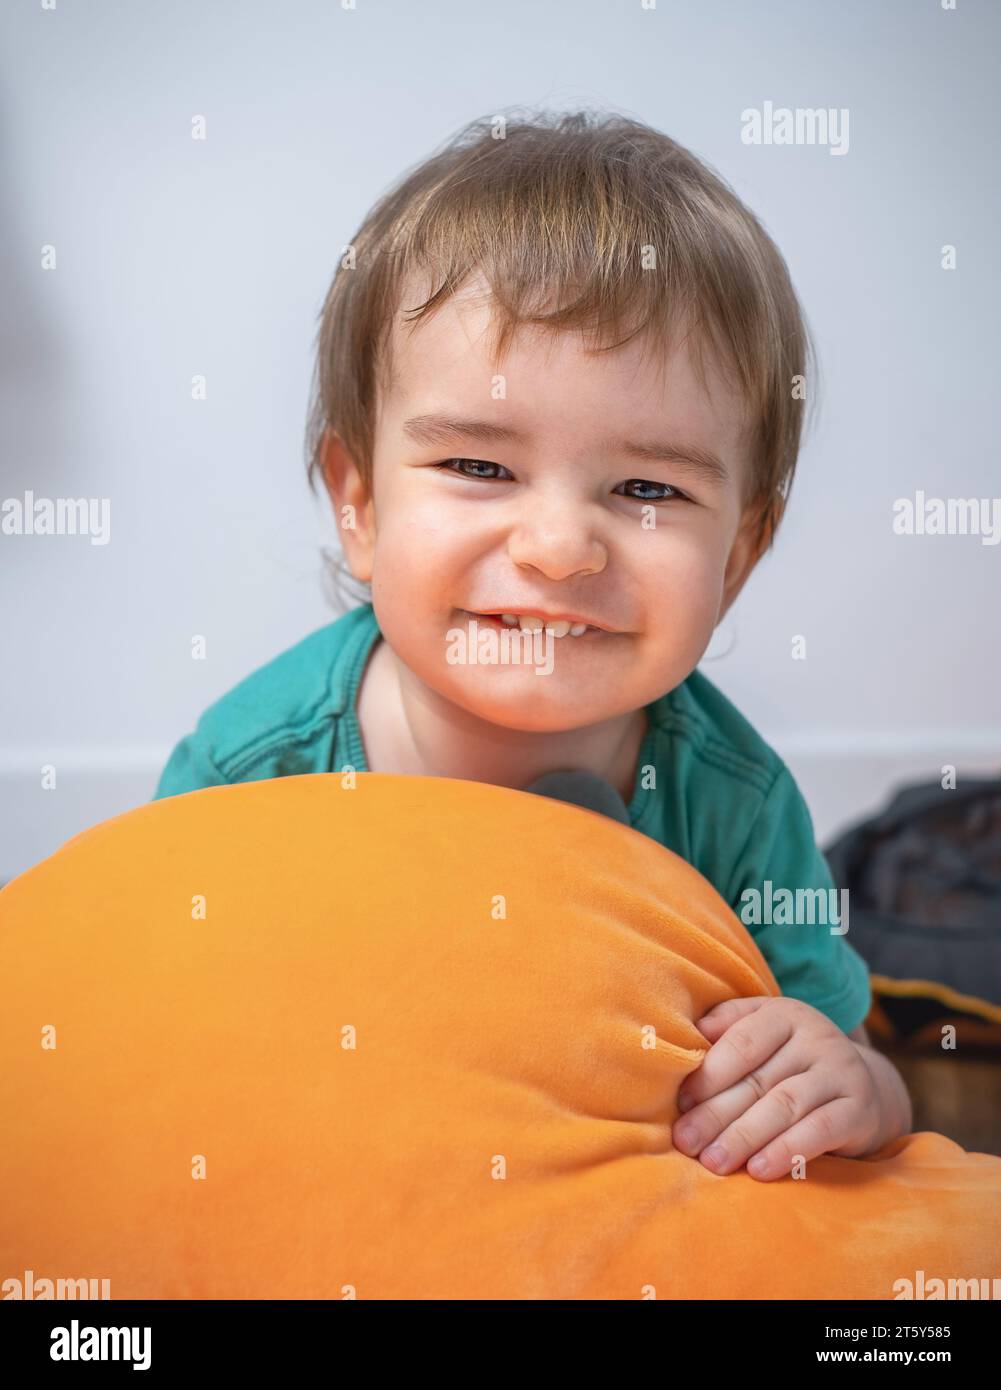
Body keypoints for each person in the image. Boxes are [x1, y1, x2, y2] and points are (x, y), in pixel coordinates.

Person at [154, 110, 911, 1179]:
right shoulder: (250, 773)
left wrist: (844, 1085)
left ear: (738, 553)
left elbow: (857, 1070)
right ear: (360, 503)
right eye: (477, 466)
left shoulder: (730, 811)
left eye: (646, 489)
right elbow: (133, 1014)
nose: (558, 547)